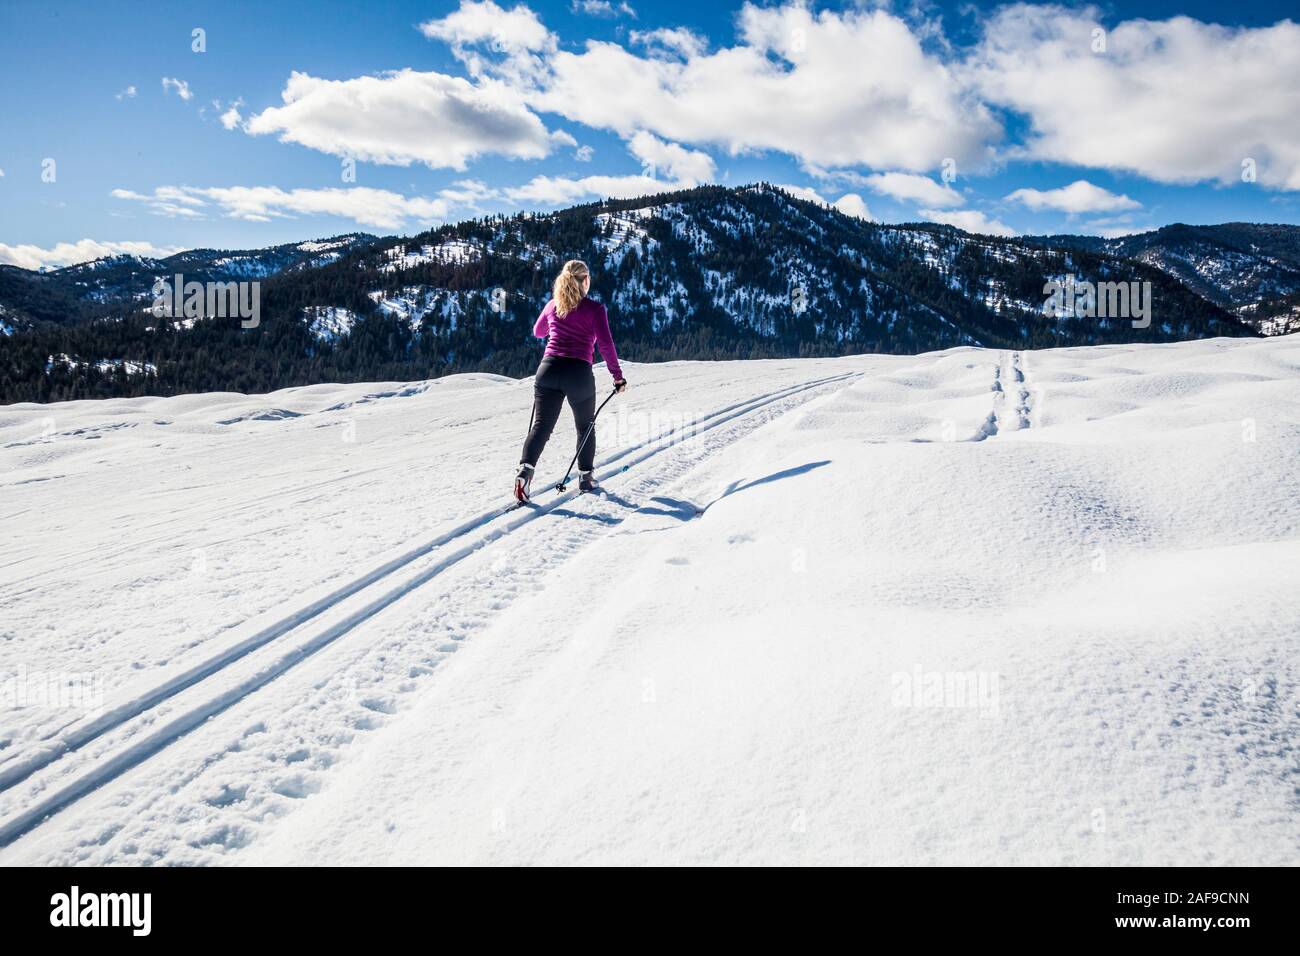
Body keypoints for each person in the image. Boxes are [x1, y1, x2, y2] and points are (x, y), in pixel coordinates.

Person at [515, 260, 627, 502]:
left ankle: (524, 472)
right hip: (578, 373)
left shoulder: (553, 305)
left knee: (541, 426)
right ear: (585, 280)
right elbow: (606, 345)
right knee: (585, 426)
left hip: (548, 369)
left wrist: (557, 323)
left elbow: (538, 332)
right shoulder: (595, 309)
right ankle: (586, 478)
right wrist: (617, 377)